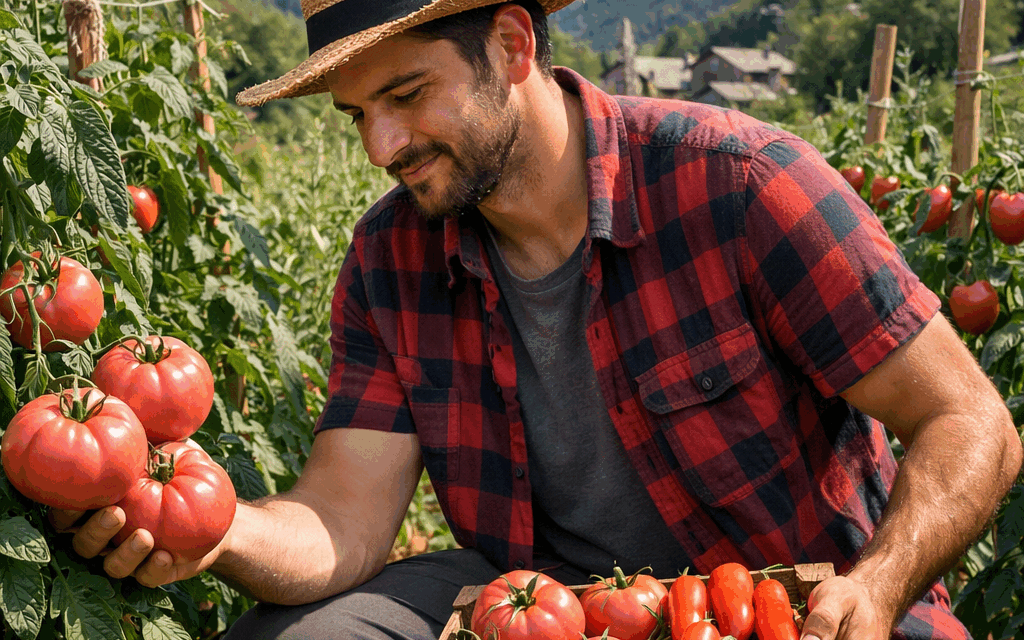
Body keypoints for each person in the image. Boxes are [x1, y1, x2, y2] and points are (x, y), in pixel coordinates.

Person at [52, 1, 1022, 639]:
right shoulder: (391, 257)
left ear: (513, 47)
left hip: (788, 604)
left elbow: (968, 421)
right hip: (545, 607)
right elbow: (343, 518)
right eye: (357, 115)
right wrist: (214, 532)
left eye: (404, 94)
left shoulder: (738, 184)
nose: (381, 144)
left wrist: (880, 581)